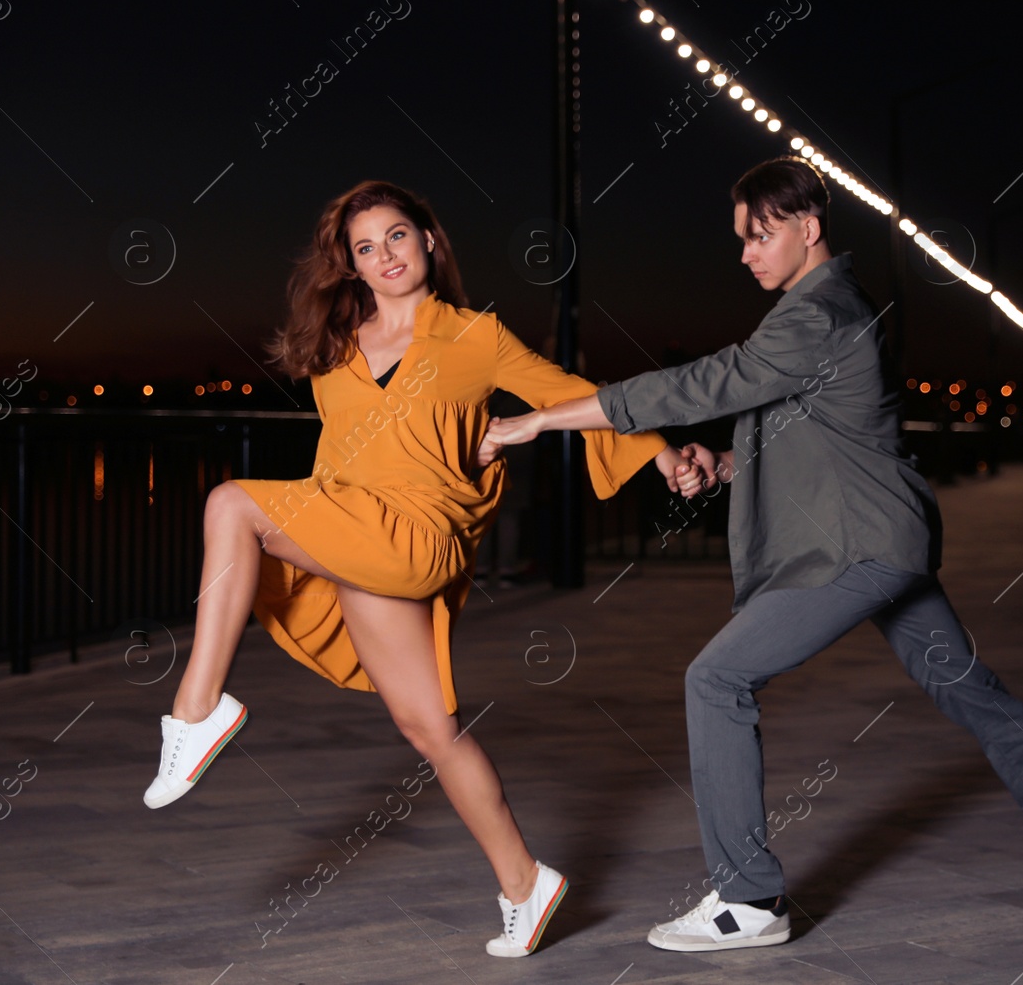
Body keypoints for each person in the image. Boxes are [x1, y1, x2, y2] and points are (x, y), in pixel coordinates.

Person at [486, 157, 1023, 952]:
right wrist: (724, 466)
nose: (747, 253)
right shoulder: (830, 308)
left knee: (717, 677)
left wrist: (540, 421)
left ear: (810, 226)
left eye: (761, 235)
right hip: (884, 539)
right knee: (970, 689)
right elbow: (817, 434)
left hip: (856, 551)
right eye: (741, 238)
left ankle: (748, 900)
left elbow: (706, 384)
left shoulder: (818, 312)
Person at [145, 180, 703, 958]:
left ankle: (196, 708)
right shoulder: (336, 348)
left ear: (429, 241)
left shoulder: (475, 336)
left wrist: (666, 453)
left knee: (231, 503)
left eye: (397, 236)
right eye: (366, 247)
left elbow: (576, 395)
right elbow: (347, 457)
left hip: (416, 538)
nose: (385, 256)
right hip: (356, 531)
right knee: (429, 728)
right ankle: (524, 883)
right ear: (349, 264)